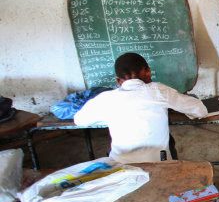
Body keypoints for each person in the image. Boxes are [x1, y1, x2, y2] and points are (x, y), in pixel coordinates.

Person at [74, 53, 208, 163]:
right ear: (148, 72)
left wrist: (110, 117)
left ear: (118, 81)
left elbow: (79, 120)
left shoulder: (106, 99)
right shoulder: (160, 91)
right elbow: (200, 110)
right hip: (159, 162)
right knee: (169, 140)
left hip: (121, 166)